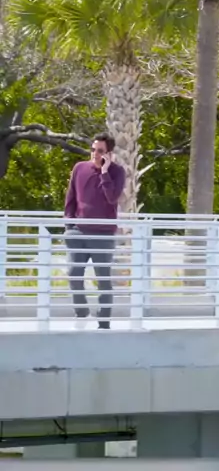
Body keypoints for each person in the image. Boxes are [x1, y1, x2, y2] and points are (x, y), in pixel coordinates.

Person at [64, 132, 126, 330]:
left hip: (103, 234)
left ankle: (103, 322)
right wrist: (69, 226)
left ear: (109, 154)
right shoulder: (79, 168)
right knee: (74, 274)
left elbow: (112, 198)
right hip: (78, 232)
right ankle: (81, 312)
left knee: (103, 280)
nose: (95, 153)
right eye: (93, 149)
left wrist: (104, 172)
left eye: (100, 151)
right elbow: (71, 197)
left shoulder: (117, 172)